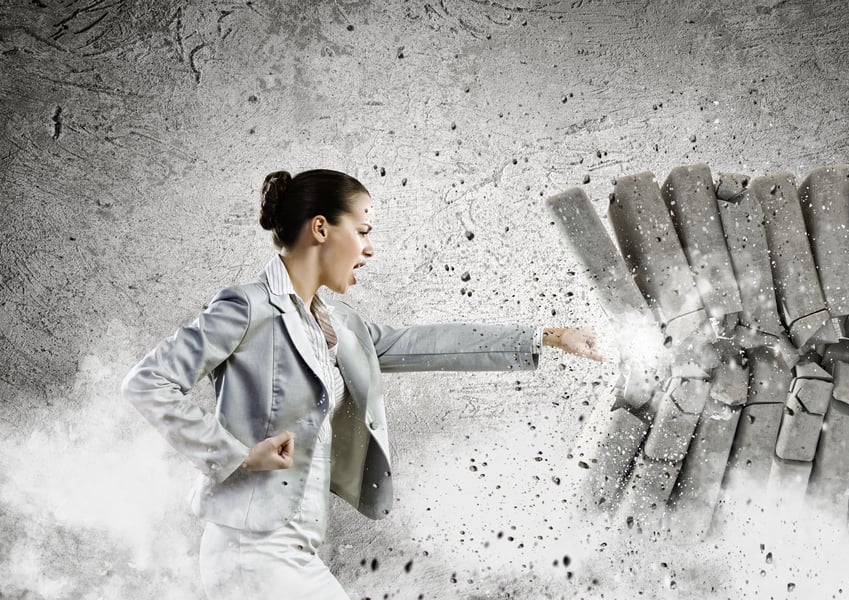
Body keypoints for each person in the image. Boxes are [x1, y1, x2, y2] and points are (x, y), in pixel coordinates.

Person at [121, 169, 603, 599]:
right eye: (364, 231)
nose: (370, 248)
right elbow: (149, 382)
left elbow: (427, 344)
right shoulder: (247, 307)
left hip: (295, 546)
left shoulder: (339, 326)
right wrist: (236, 455)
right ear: (321, 228)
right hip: (252, 546)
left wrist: (548, 336)